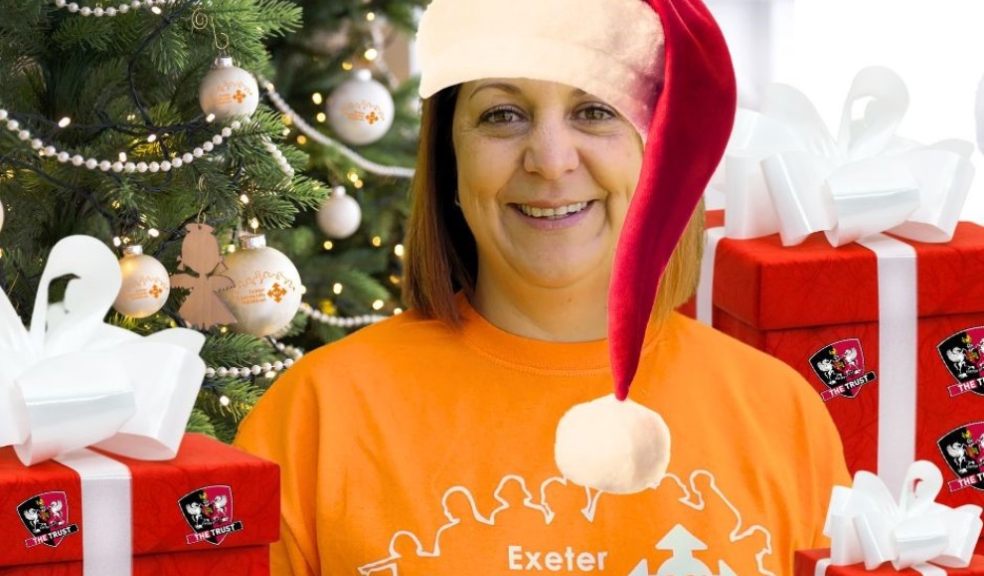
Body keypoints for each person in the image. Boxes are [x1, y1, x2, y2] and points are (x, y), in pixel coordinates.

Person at [235, 0, 851, 574]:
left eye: (596, 110)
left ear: (659, 151)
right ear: (452, 156)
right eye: (502, 114)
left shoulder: (782, 416)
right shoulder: (316, 418)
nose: (550, 159)